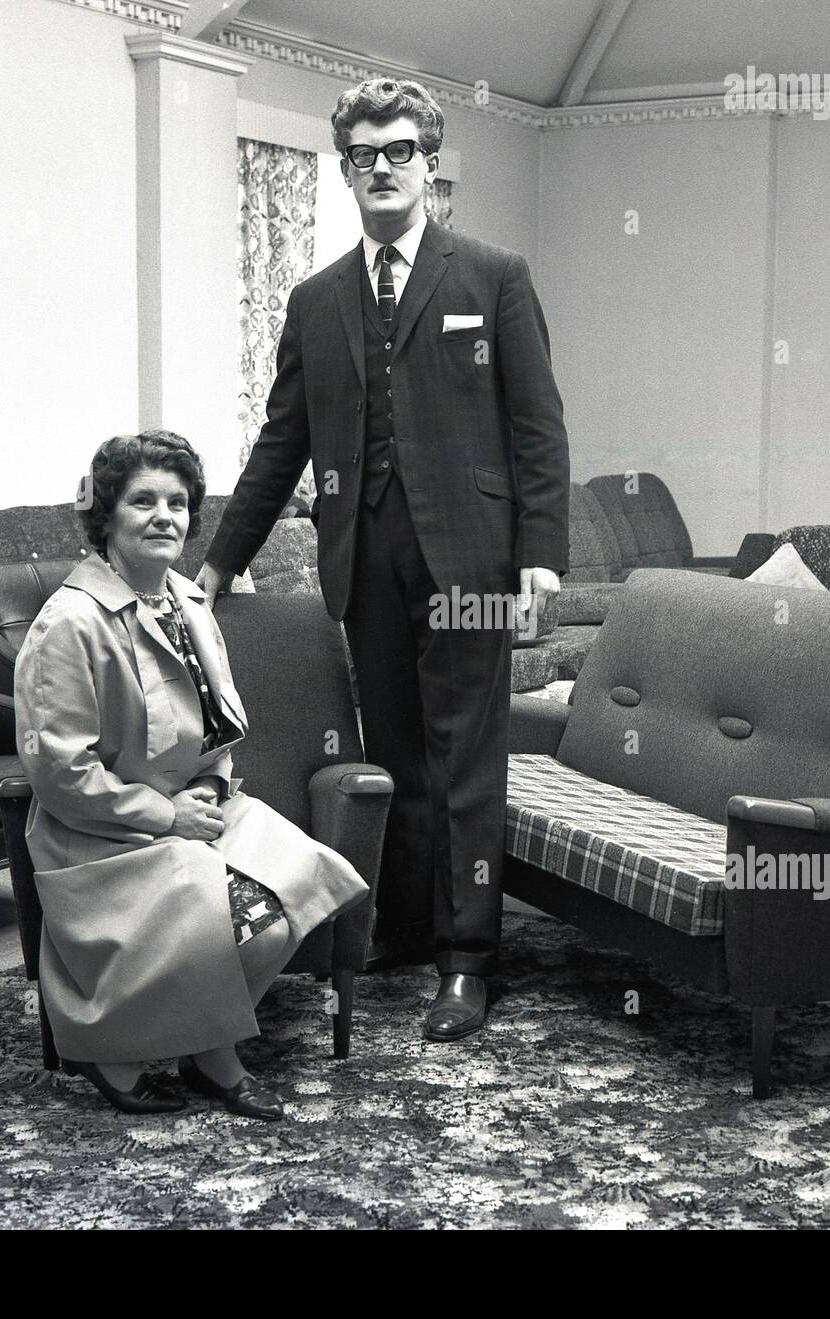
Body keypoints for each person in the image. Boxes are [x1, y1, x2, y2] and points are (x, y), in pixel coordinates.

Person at [198, 78, 570, 1042]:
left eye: (399, 150)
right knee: (396, 753)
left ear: (429, 161)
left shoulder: (493, 276)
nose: (381, 169)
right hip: (362, 560)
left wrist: (541, 556)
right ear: (345, 167)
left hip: (474, 567)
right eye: (362, 155)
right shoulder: (316, 299)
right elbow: (281, 444)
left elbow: (537, 427)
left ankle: (467, 958)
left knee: (466, 759)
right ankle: (406, 923)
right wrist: (221, 558)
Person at [14, 430, 368, 1119]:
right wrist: (165, 814)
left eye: (177, 502)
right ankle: (124, 1047)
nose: (164, 515)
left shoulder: (188, 603)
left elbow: (216, 731)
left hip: (198, 806)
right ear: (106, 516)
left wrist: (206, 790)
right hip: (105, 832)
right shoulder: (68, 624)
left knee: (300, 884)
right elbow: (61, 773)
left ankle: (203, 1049)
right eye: (142, 500)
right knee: (250, 927)